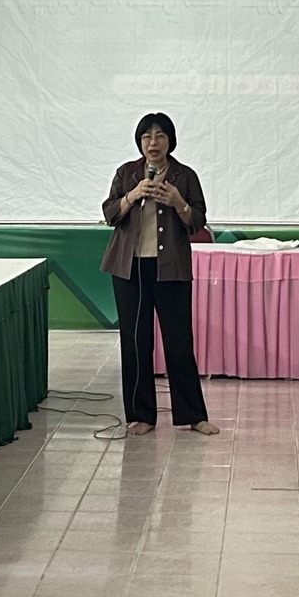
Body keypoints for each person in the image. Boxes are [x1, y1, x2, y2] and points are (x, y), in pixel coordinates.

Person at [100, 112, 218, 436]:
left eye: (160, 136)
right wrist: (132, 195)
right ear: (140, 142)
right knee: (135, 342)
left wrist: (179, 203)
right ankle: (141, 415)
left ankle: (193, 415)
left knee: (178, 342)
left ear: (170, 141)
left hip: (171, 268)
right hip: (130, 268)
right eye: (146, 137)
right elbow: (109, 213)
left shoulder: (185, 176)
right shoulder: (127, 173)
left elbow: (197, 221)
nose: (153, 143)